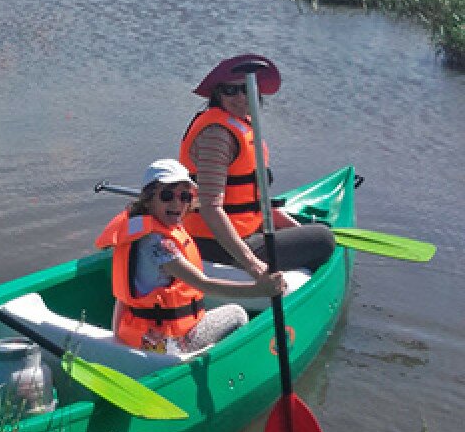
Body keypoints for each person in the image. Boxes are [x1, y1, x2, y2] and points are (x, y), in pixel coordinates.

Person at [95, 159, 287, 357]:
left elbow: (122, 298)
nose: (177, 203)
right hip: (169, 344)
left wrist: (119, 340)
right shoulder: (159, 243)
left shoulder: (136, 229)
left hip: (137, 336)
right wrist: (259, 290)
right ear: (148, 199)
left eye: (185, 196)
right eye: (167, 195)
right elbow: (203, 284)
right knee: (236, 314)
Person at [178, 53, 335, 277]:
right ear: (217, 94)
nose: (240, 97)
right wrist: (251, 262)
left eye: (246, 89)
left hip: (238, 235)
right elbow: (209, 207)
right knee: (324, 239)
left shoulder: (241, 127)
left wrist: (297, 230)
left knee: (310, 230)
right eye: (230, 90)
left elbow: (252, 199)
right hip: (217, 247)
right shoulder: (217, 135)